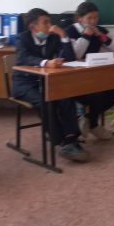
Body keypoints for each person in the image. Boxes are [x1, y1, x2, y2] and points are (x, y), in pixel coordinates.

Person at [12, 8, 88, 162]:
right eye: (45, 23)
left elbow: (70, 58)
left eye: (50, 22)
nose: (50, 26)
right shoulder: (22, 38)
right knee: (46, 102)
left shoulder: (53, 37)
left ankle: (71, 138)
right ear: (33, 27)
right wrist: (46, 62)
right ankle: (61, 141)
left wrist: (64, 36)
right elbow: (23, 58)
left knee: (66, 96)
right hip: (25, 84)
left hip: (46, 81)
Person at [66, 1, 114, 140]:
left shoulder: (100, 31)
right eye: (89, 18)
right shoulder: (70, 31)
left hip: (96, 76)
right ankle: (92, 124)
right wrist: (86, 36)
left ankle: (89, 120)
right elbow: (75, 54)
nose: (93, 21)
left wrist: (101, 36)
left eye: (96, 17)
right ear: (80, 19)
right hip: (76, 78)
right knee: (98, 94)